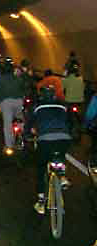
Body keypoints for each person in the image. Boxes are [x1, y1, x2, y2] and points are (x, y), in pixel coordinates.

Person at [24, 86, 73, 214]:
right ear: (54, 96)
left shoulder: (37, 107)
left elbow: (29, 123)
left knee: (41, 169)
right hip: (64, 138)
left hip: (45, 139)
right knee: (59, 154)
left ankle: (41, 202)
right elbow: (71, 121)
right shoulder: (63, 106)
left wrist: (27, 135)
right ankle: (61, 176)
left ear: (42, 96)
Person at [0, 62, 26, 154]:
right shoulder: (18, 79)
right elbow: (24, 89)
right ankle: (23, 134)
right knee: (20, 117)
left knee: (8, 123)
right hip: (19, 101)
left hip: (6, 102)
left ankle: (9, 145)